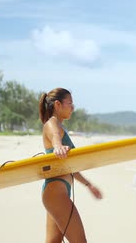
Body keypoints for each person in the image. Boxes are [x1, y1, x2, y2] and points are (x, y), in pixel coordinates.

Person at [39, 87, 102, 243]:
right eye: (70, 104)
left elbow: (70, 167)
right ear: (58, 105)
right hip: (56, 192)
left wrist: (88, 185)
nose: (73, 108)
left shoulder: (60, 127)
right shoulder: (52, 124)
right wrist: (58, 147)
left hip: (56, 192)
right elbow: (54, 138)